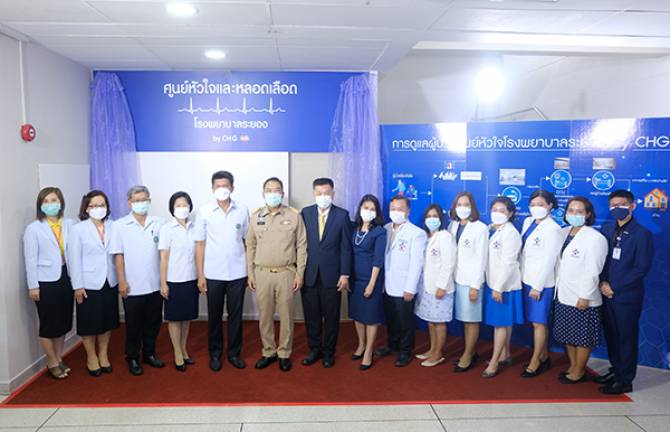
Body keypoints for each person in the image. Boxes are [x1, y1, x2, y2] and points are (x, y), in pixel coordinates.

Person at [595, 190, 654, 394]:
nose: (616, 208)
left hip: (626, 296)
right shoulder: (607, 228)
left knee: (626, 337)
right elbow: (601, 259)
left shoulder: (642, 234)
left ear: (632, 206)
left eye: (621, 204)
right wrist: (603, 283)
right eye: (613, 205)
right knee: (611, 335)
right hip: (605, 293)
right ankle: (616, 370)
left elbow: (641, 268)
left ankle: (625, 379)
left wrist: (615, 287)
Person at [247, 177, 307, 372]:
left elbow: (301, 245)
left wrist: (299, 273)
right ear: (263, 193)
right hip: (262, 273)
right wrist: (250, 272)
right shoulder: (255, 216)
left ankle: (284, 353)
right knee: (265, 316)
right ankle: (268, 351)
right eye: (269, 190)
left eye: (276, 190)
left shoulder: (294, 216)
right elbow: (250, 245)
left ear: (282, 193)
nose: (273, 193)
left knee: (287, 316)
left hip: (286, 273)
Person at [194, 171, 249, 372]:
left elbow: (247, 241)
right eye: (218, 186)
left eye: (225, 185)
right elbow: (199, 244)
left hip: (238, 272)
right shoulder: (204, 211)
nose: (222, 189)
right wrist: (201, 275)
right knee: (214, 316)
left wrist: (250, 271)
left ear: (232, 187)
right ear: (212, 188)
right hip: (213, 272)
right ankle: (215, 354)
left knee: (236, 316)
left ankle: (234, 353)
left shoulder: (242, 210)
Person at [109, 185, 164, 376]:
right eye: (137, 200)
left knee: (153, 322)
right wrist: (121, 281)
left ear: (149, 201)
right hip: (132, 285)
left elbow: (164, 254)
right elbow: (118, 256)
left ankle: (149, 353)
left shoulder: (158, 223)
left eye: (144, 200)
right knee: (133, 325)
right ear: (129, 203)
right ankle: (132, 357)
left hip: (155, 283)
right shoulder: (119, 225)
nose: (141, 203)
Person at [553, 196, 608, 384]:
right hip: (564, 293)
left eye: (579, 211)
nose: (574, 214)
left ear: (588, 214)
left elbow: (593, 270)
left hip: (583, 296)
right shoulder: (563, 233)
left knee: (582, 337)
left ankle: (578, 371)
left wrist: (585, 296)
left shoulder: (595, 238)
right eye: (571, 210)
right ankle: (573, 366)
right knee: (568, 334)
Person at [300, 178, 353, 368]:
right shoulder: (305, 213)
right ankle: (314, 349)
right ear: (314, 194)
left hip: (333, 275)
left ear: (333, 194)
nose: (323, 196)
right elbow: (300, 244)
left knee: (331, 317)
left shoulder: (342, 215)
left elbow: (346, 247)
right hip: (309, 274)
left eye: (327, 193)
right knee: (311, 316)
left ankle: (329, 352)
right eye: (319, 193)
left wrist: (345, 274)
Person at [23, 187, 74, 379]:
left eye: (54, 200)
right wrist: (33, 285)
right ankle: (51, 361)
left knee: (63, 321)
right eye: (46, 201)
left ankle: (59, 357)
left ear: (61, 203)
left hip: (66, 277)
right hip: (45, 281)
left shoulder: (69, 224)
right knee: (48, 323)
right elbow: (30, 259)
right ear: (40, 205)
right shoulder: (33, 228)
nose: (50, 204)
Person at [67, 190, 119, 377]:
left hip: (109, 280)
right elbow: (73, 259)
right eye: (94, 205)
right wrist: (77, 286)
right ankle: (91, 356)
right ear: (86, 208)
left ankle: (103, 354)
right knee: (89, 323)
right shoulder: (78, 229)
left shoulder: (113, 226)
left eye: (102, 205)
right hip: (88, 283)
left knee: (107, 321)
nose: (99, 208)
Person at [375, 195, 426, 367]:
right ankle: (392, 344)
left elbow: (416, 264)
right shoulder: (385, 228)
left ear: (408, 211)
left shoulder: (416, 233)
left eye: (400, 209)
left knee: (405, 321)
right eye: (393, 209)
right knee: (391, 318)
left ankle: (406, 351)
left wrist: (410, 288)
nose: (396, 212)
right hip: (387, 284)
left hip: (404, 286)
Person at [519, 189, 562, 378]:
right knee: (533, 322)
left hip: (541, 284)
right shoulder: (528, 222)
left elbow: (549, 260)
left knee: (539, 323)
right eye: (533, 204)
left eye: (541, 204)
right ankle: (543, 356)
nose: (536, 208)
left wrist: (538, 286)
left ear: (550, 206)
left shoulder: (553, 229)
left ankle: (535, 361)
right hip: (525, 278)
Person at [481, 196, 524, 378]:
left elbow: (508, 263)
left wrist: (498, 288)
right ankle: (505, 354)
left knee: (500, 324)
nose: (497, 213)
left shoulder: (510, 233)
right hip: (494, 283)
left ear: (510, 213)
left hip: (503, 286)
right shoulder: (493, 229)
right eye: (494, 210)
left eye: (502, 211)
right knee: (504, 323)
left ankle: (494, 362)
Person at [448, 191, 488, 373]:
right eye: (459, 205)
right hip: (456, 279)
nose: (462, 208)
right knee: (464, 319)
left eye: (466, 205)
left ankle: (468, 355)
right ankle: (469, 351)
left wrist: (475, 286)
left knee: (471, 320)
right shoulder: (453, 225)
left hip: (470, 281)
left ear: (472, 207)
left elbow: (481, 259)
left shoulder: (480, 228)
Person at [159, 191, 199, 372]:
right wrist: (163, 282)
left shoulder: (195, 227)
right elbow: (164, 258)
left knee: (187, 317)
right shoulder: (167, 229)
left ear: (190, 207)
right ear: (172, 208)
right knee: (175, 319)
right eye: (178, 205)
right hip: (173, 280)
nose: (182, 208)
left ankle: (184, 349)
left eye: (185, 205)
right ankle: (176, 351)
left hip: (191, 278)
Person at [414, 204, 456, 368]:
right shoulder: (427, 237)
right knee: (430, 321)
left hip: (440, 288)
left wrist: (442, 286)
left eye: (435, 216)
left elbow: (448, 264)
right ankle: (432, 349)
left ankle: (438, 354)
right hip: (426, 286)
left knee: (439, 322)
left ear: (441, 219)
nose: (432, 219)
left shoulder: (445, 237)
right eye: (429, 216)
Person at [349, 194, 387, 370]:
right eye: (366, 208)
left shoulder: (379, 232)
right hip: (355, 280)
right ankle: (361, 344)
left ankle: (369, 351)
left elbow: (378, 260)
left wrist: (371, 284)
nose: (368, 211)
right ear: (360, 209)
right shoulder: (354, 228)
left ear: (377, 212)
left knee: (370, 317)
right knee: (357, 315)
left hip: (370, 280)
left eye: (372, 209)